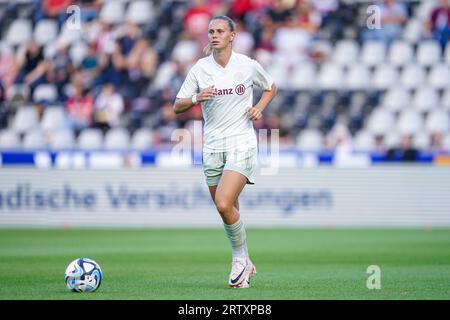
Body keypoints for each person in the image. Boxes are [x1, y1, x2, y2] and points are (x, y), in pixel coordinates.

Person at [173, 15, 277, 288]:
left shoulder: (247, 65)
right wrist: (197, 97)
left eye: (220, 31)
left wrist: (259, 108)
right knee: (226, 208)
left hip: (241, 142)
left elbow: (270, 86)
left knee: (222, 202)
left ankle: (239, 259)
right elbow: (177, 105)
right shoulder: (200, 68)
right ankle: (247, 264)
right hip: (212, 145)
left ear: (232, 36)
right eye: (211, 31)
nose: (214, 35)